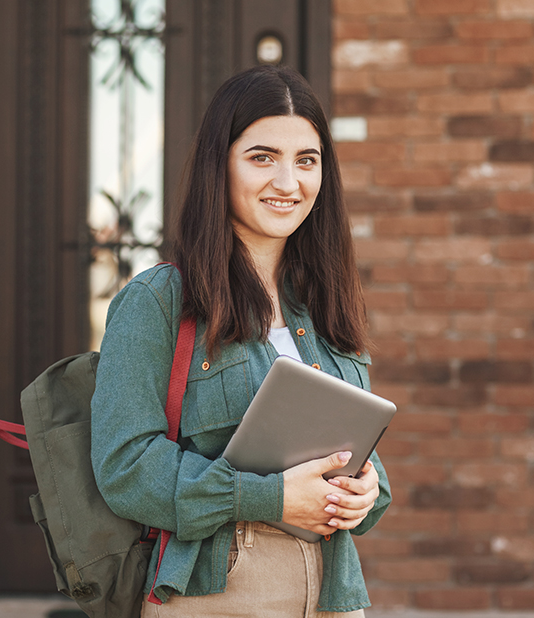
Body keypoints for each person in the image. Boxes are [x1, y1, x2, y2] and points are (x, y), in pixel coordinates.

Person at [91, 64, 391, 617]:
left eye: (307, 160)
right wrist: (269, 497)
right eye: (262, 157)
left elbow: (360, 452)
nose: (288, 182)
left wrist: (367, 491)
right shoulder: (160, 299)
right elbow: (125, 468)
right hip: (218, 592)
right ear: (219, 165)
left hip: (334, 593)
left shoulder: (328, 303)